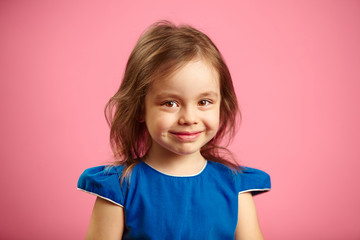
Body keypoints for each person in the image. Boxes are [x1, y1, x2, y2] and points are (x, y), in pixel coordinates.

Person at [77, 20, 271, 240]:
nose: (189, 118)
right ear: (140, 108)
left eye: (204, 102)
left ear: (221, 104)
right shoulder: (119, 189)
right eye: (170, 103)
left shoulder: (236, 188)